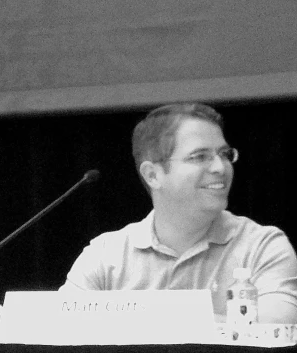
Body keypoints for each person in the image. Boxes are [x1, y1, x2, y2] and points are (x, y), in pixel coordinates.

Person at [60, 102, 297, 323]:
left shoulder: (262, 246)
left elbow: (276, 330)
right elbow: (62, 331)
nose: (220, 167)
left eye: (225, 154)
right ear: (153, 175)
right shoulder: (106, 256)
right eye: (200, 157)